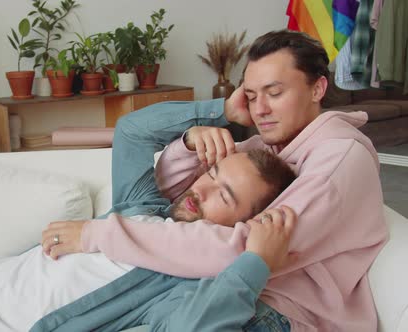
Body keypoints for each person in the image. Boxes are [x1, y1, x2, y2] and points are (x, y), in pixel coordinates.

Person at [38, 29, 389, 331]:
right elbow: (170, 193)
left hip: (278, 314)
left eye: (275, 92)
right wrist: (202, 132)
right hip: (220, 292)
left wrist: (97, 234)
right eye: (251, 96)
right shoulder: (267, 148)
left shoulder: (339, 158)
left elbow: (245, 249)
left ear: (318, 88)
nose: (260, 110)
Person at [0, 128, 297, 328]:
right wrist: (201, 128)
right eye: (211, 176)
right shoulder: (143, 204)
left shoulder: (183, 284)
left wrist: (251, 264)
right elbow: (132, 132)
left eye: (224, 198)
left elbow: (196, 327)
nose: (201, 191)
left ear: (241, 225)